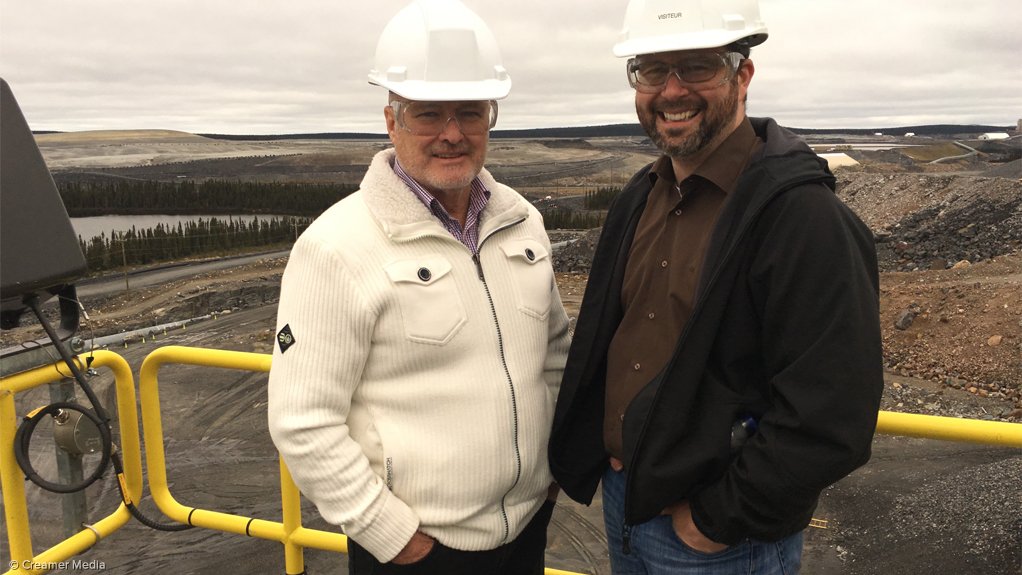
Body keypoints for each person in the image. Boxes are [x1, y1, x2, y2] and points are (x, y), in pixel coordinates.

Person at [549, 0, 884, 573]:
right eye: (653, 70)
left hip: (721, 539)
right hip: (625, 502)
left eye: (697, 66)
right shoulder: (640, 197)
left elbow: (834, 412)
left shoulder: (802, 218)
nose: (671, 91)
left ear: (743, 75)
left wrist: (718, 519)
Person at [267, 1, 570, 573]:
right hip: (418, 552)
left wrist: (550, 476)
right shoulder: (335, 247)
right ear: (392, 120)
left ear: (491, 117)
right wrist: (391, 535)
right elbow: (302, 419)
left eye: (470, 112)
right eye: (429, 113)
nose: (452, 134)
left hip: (527, 531)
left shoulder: (522, 222)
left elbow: (551, 357)